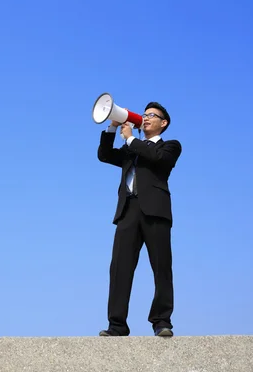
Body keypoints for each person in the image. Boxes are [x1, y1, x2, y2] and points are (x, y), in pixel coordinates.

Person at [96, 101, 182, 337]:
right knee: (119, 269)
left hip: (156, 212)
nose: (145, 118)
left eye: (151, 115)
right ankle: (117, 325)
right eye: (143, 115)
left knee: (161, 267)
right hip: (128, 211)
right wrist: (112, 128)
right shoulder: (130, 147)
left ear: (163, 123)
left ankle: (162, 321)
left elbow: (156, 159)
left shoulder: (170, 146)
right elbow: (104, 155)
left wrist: (130, 139)